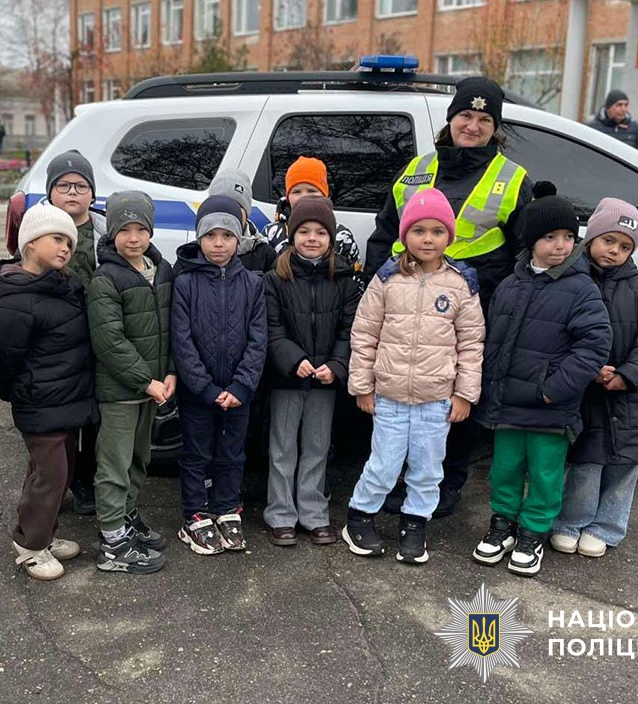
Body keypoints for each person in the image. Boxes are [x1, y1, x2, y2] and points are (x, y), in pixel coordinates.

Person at [363, 77, 533, 518]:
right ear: (451, 118)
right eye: (465, 116)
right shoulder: (417, 168)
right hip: (407, 301)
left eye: (483, 119)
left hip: (474, 305)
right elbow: (385, 232)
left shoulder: (512, 179)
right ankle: (398, 482)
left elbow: (523, 252)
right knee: (402, 398)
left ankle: (444, 485)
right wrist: (376, 286)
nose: (472, 126)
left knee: (455, 399)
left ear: (494, 127)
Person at [471, 193, 612, 577]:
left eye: (568, 236)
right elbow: (492, 339)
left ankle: (533, 532)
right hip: (507, 404)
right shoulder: (510, 284)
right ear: (531, 241)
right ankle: (503, 525)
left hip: (550, 407)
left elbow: (595, 344)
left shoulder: (581, 288)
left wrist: (554, 388)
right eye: (550, 236)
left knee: (546, 475)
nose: (561, 245)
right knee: (505, 470)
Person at [344, 189, 485, 563]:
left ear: (449, 237)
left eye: (437, 231)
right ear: (404, 234)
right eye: (418, 230)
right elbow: (364, 333)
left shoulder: (460, 284)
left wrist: (464, 394)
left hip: (436, 399)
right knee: (384, 465)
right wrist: (362, 385)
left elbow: (472, 343)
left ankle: (414, 525)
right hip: (388, 396)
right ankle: (359, 518)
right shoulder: (387, 279)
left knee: (427, 469)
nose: (427, 239)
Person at [0, 205, 98, 581]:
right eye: (57, 238)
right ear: (30, 243)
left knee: (59, 473)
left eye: (69, 241)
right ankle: (29, 545)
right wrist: (20, 392)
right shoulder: (14, 296)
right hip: (39, 401)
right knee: (49, 475)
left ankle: (44, 534)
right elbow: (2, 361)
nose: (66, 247)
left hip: (67, 399)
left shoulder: (64, 285)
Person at [552, 199, 638, 558]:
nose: (614, 251)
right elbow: (558, 331)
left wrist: (629, 374)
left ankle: (606, 527)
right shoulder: (572, 281)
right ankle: (570, 522)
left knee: (623, 468)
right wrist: (589, 368)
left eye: (624, 246)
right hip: (587, 391)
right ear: (592, 238)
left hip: (632, 397)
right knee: (586, 463)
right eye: (609, 241)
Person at [171, 195, 267, 555]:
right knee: (196, 453)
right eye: (210, 236)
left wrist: (241, 384)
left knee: (232, 453)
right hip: (200, 392)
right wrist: (206, 387)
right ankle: (195, 514)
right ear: (199, 238)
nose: (218, 244)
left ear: (238, 239)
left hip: (238, 391)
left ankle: (227, 508)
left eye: (227, 236)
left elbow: (259, 339)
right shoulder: (186, 283)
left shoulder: (253, 284)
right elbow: (182, 341)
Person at [262, 197, 361, 547]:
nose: (312, 238)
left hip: (325, 380)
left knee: (318, 446)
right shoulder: (275, 277)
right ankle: (280, 513)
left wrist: (336, 366)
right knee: (283, 447)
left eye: (321, 232)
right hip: (287, 377)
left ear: (331, 237)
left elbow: (350, 329)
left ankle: (313, 512)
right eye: (304, 231)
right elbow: (271, 327)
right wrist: (293, 360)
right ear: (292, 235)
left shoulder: (345, 278)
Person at [86, 191, 174, 574]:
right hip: (122, 392)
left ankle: (126, 516)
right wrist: (146, 381)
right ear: (113, 232)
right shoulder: (106, 278)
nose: (133, 238)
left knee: (141, 459)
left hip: (153, 387)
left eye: (141, 229)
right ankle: (112, 540)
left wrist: (170, 372)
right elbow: (109, 340)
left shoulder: (162, 269)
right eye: (125, 229)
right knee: (114, 463)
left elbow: (172, 328)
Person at [34, 150, 106, 515]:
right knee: (56, 426)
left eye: (81, 186)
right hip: (56, 344)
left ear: (92, 194)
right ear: (51, 193)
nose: (73, 192)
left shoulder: (106, 231)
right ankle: (55, 484)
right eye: (64, 185)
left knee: (93, 418)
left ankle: (86, 482)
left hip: (97, 338)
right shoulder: (39, 233)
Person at [261, 156, 362, 282]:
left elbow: (355, 279)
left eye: (312, 191)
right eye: (296, 192)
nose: (304, 197)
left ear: (324, 194)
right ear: (287, 197)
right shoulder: (271, 234)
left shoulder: (341, 236)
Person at [178, 167, 275, 276]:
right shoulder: (191, 255)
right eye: (210, 235)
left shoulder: (265, 254)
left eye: (236, 206)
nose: (229, 211)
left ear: (247, 211)